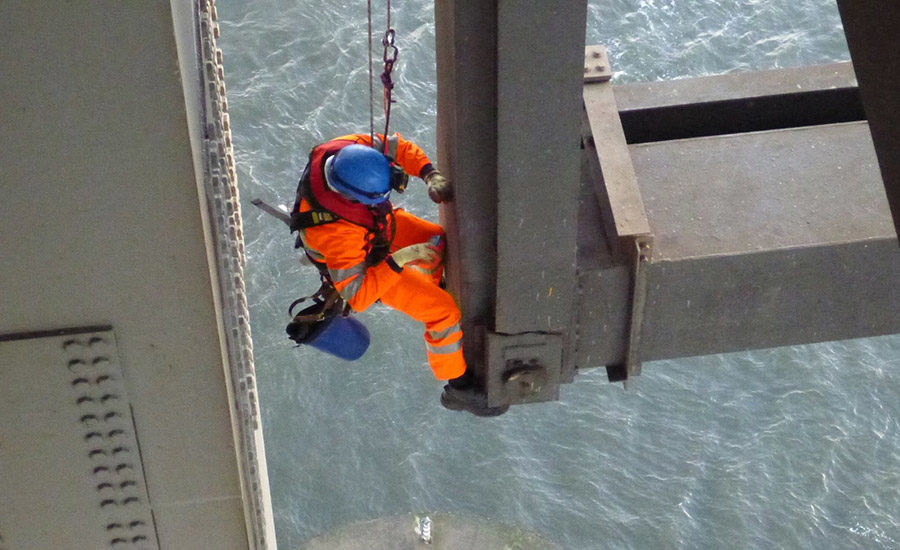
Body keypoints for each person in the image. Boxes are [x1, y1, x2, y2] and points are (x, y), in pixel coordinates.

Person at [289, 132, 508, 417]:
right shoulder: (337, 235)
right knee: (443, 311)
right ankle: (459, 386)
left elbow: (397, 146)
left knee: (436, 241)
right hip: (365, 266)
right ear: (354, 197)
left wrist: (429, 173)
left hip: (371, 226)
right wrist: (401, 259)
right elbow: (358, 296)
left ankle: (436, 297)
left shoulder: (345, 151)